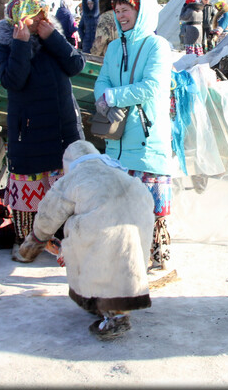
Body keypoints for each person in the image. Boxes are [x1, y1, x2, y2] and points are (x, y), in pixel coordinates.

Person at [18, 140, 155, 339]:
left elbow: (48, 215)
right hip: (139, 218)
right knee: (127, 261)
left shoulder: (74, 177)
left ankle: (114, 315)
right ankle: (110, 304)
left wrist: (35, 241)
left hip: (104, 225)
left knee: (89, 250)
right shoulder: (115, 169)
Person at [0, 0, 84, 262]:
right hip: (30, 133)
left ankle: (67, 242)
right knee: (30, 191)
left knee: (66, 190)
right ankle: (29, 243)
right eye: (35, 15)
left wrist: (54, 37)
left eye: (43, 14)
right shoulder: (7, 46)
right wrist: (21, 45)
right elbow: (13, 80)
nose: (41, 19)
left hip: (63, 129)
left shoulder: (52, 39)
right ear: (19, 19)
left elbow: (76, 64)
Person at [93, 0, 174, 271]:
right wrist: (103, 99)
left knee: (151, 207)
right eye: (117, 11)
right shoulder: (115, 47)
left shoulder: (157, 45)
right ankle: (125, 260)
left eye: (126, 10)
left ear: (142, 12)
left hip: (146, 137)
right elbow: (102, 80)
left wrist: (114, 96)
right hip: (117, 142)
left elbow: (152, 86)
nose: (121, 15)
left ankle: (155, 259)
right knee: (120, 207)